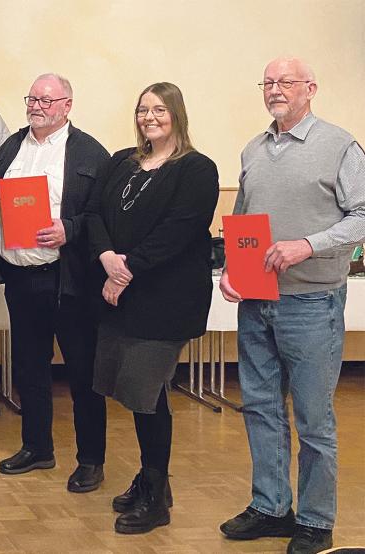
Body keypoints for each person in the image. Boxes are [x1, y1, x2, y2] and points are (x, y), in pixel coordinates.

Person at [219, 57, 365, 554]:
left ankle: (317, 520)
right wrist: (232, 275)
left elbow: (363, 214)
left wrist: (309, 243)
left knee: (313, 418)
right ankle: (271, 507)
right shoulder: (253, 149)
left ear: (311, 89)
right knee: (259, 408)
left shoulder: (339, 145)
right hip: (256, 302)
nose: (275, 90)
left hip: (312, 302)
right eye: (268, 82)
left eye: (286, 82)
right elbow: (243, 221)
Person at [86, 82, 218, 534]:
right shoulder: (122, 161)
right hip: (119, 291)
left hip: (165, 297)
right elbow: (93, 215)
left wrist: (125, 271)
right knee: (141, 393)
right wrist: (106, 258)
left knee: (145, 391)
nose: (149, 117)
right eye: (143, 109)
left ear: (176, 113)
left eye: (159, 109)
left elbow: (179, 231)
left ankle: (156, 497)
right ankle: (150, 479)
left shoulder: (197, 169)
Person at [0, 73, 109, 491]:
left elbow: (104, 218)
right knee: (30, 367)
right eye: (31, 98)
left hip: (67, 279)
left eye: (46, 100)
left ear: (67, 105)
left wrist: (70, 229)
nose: (36, 106)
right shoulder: (12, 147)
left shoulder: (89, 154)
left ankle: (90, 459)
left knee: (82, 371)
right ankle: (37, 447)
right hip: (18, 275)